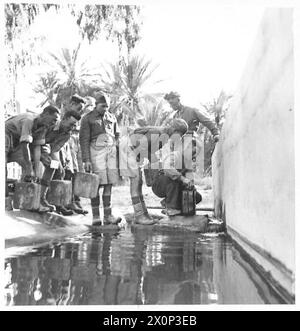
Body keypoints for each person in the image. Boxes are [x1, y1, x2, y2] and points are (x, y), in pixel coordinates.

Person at [119, 118, 189, 224]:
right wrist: (153, 161)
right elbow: (141, 147)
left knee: (138, 183)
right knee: (135, 183)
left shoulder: (164, 136)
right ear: (174, 130)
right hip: (129, 149)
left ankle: (143, 214)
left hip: (134, 151)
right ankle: (139, 216)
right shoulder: (158, 133)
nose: (179, 138)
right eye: (180, 135)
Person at [79, 91, 120, 225]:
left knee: (109, 184)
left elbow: (117, 135)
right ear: (96, 105)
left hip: (111, 153)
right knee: (95, 184)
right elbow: (84, 140)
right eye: (103, 106)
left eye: (107, 106)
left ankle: (108, 216)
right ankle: (96, 216)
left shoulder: (112, 117)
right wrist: (86, 160)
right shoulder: (87, 118)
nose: (105, 109)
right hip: (95, 153)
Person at [38, 110, 82, 212]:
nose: (71, 128)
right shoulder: (50, 124)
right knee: (36, 167)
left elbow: (55, 150)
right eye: (71, 124)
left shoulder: (67, 134)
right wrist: (43, 154)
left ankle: (46, 200)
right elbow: (38, 139)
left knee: (55, 167)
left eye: (74, 125)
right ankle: (33, 199)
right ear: (64, 119)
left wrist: (58, 164)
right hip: (33, 144)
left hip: (45, 148)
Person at [5, 106, 60, 186]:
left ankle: (25, 193)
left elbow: (37, 147)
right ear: (46, 114)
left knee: (29, 168)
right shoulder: (29, 120)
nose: (54, 123)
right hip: (6, 135)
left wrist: (36, 171)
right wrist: (29, 166)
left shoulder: (44, 127)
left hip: (17, 143)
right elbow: (24, 144)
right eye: (54, 119)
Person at [151, 132, 203, 216]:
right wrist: (182, 179)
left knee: (196, 197)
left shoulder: (188, 163)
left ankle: (167, 203)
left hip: (174, 186)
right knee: (173, 180)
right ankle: (171, 208)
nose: (193, 156)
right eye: (193, 152)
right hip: (160, 184)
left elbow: (189, 180)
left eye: (195, 154)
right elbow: (167, 168)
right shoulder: (175, 155)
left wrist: (191, 187)